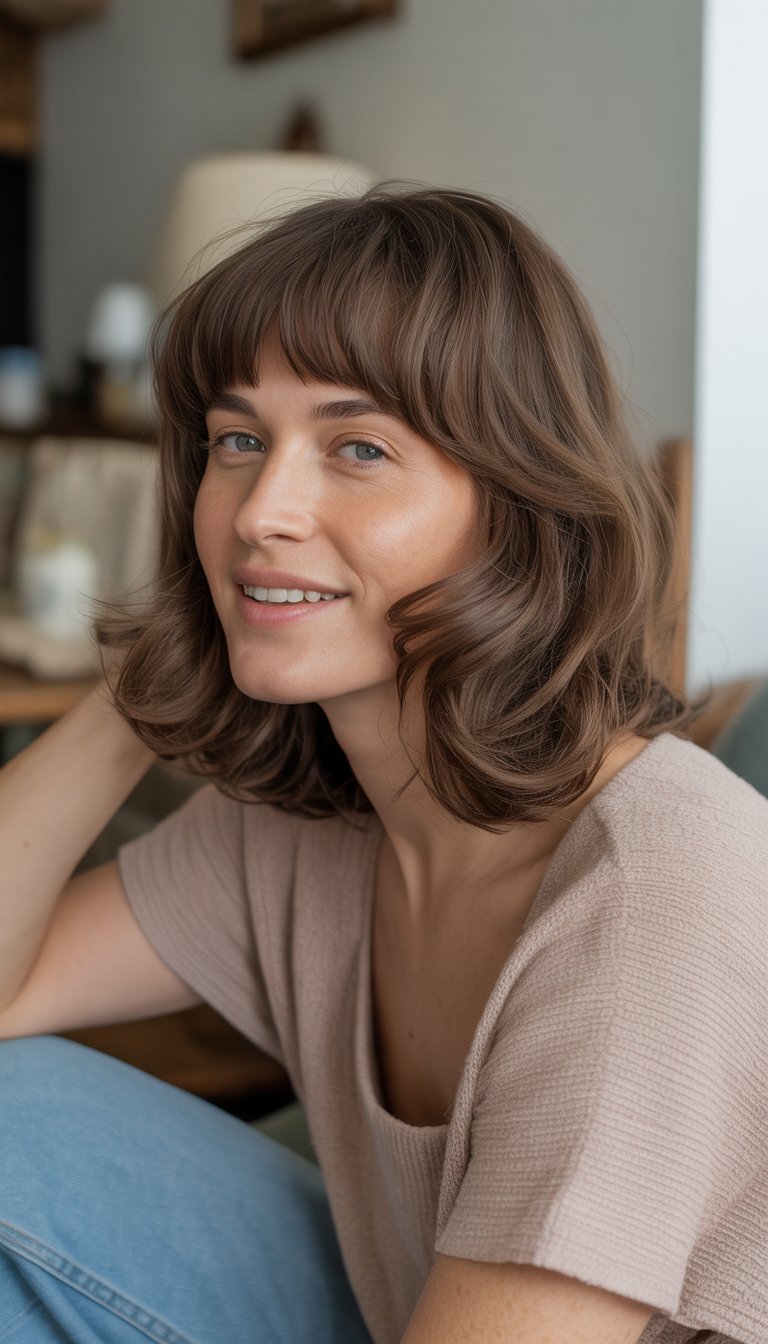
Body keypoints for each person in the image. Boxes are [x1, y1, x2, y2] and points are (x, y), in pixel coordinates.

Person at [1, 185, 766, 1344]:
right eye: (238, 441)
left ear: (515, 512)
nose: (263, 510)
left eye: (358, 448)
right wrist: (148, 683)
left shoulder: (659, 887)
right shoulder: (313, 821)